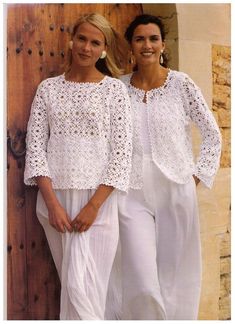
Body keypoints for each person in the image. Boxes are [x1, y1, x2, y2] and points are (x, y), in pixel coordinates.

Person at [24, 13, 132, 320]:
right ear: (72, 40)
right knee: (72, 288)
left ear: (104, 49)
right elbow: (35, 147)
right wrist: (52, 203)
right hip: (54, 204)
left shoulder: (114, 91)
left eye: (95, 42)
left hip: (98, 205)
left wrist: (94, 207)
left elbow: (122, 153)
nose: (86, 47)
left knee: (88, 291)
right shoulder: (48, 89)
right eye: (82, 39)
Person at [117, 14, 222, 320]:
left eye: (153, 38)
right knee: (142, 279)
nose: (147, 45)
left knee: (177, 276)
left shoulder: (181, 84)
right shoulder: (118, 89)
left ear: (162, 44)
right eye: (139, 39)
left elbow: (212, 135)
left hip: (175, 188)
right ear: (131, 46)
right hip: (131, 193)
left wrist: (195, 179)